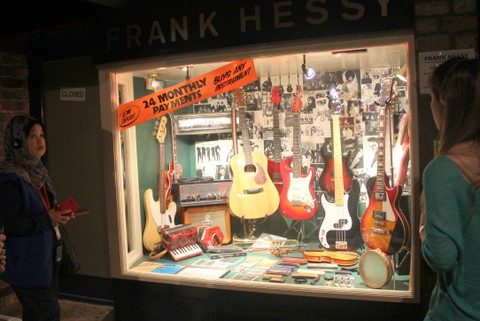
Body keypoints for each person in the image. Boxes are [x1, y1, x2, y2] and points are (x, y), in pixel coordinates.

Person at [420, 58, 480, 321]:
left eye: (432, 98)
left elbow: (441, 256)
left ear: (444, 105)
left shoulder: (442, 170)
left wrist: (423, 230)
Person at [0, 115, 74, 321]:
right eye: (32, 136)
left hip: (46, 259)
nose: (40, 140)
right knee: (47, 314)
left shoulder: (37, 172)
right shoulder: (10, 180)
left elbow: (40, 211)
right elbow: (11, 225)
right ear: (18, 142)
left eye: (41, 135)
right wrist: (48, 219)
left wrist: (58, 214)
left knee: (38, 314)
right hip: (28, 264)